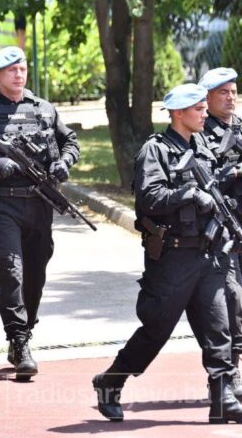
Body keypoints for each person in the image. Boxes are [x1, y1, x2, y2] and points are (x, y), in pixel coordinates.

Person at [93, 83, 242, 424]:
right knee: (155, 331)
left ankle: (222, 399)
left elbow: (217, 184)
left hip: (208, 253)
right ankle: (110, 383)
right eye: (199, 109)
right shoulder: (155, 150)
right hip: (173, 259)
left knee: (218, 326)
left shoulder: (204, 145)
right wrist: (188, 195)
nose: (206, 113)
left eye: (205, 107)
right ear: (178, 114)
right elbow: (150, 198)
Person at [0, 46, 78, 379]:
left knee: (35, 273)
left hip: (40, 202)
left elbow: (70, 142)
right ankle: (18, 338)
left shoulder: (44, 109)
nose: (19, 74)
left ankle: (26, 329)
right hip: (3, 203)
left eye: (23, 68)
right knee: (11, 271)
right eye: (11, 70)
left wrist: (64, 162)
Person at [199, 67, 242, 397]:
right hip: (222, 233)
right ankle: (230, 375)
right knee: (231, 301)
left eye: (233, 91)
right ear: (208, 98)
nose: (231, 97)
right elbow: (201, 177)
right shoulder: (199, 133)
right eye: (223, 92)